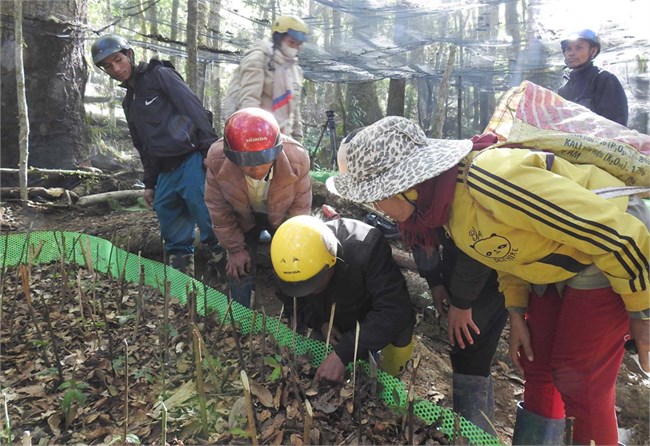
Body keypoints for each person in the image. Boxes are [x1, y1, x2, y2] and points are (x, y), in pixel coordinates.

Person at [326, 116, 650, 445]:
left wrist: (642, 314)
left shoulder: (490, 182)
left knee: (579, 377)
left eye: (376, 196)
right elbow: (504, 250)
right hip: (555, 261)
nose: (376, 206)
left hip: (609, 255)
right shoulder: (446, 210)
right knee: (535, 364)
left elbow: (619, 235)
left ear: (407, 186)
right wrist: (516, 310)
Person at [91, 34, 223, 276]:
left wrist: (211, 153)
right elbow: (142, 145)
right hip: (164, 172)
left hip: (191, 160)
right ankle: (183, 288)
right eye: (108, 66)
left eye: (118, 60)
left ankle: (231, 284)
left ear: (129, 55)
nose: (116, 68)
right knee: (172, 232)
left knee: (211, 222)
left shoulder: (160, 75)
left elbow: (194, 109)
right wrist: (150, 183)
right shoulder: (129, 102)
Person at [270, 215, 416, 382]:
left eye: (314, 283)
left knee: (383, 383)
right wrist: (320, 323)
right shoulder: (284, 259)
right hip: (334, 321)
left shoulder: (367, 247)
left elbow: (395, 310)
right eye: (302, 287)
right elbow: (293, 302)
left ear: (332, 259)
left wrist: (344, 351)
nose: (312, 291)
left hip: (376, 321)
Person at [204, 107, 312, 308]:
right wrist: (235, 249)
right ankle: (239, 317)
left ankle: (294, 314)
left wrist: (291, 247)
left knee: (294, 267)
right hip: (241, 218)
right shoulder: (217, 159)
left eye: (263, 162)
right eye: (247, 164)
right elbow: (219, 209)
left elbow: (300, 210)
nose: (256, 169)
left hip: (282, 218)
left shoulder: (297, 157)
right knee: (239, 268)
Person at [223, 15, 308, 141]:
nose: (294, 47)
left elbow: (294, 107)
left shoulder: (293, 69)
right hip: (254, 134)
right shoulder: (258, 58)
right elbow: (249, 101)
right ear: (278, 38)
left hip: (282, 135)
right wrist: (255, 136)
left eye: (298, 44)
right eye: (291, 42)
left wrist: (297, 138)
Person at [558, 29, 628, 126]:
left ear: (593, 51)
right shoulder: (564, 89)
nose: (571, 53)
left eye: (579, 48)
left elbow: (616, 126)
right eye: (568, 49)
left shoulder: (604, 80)